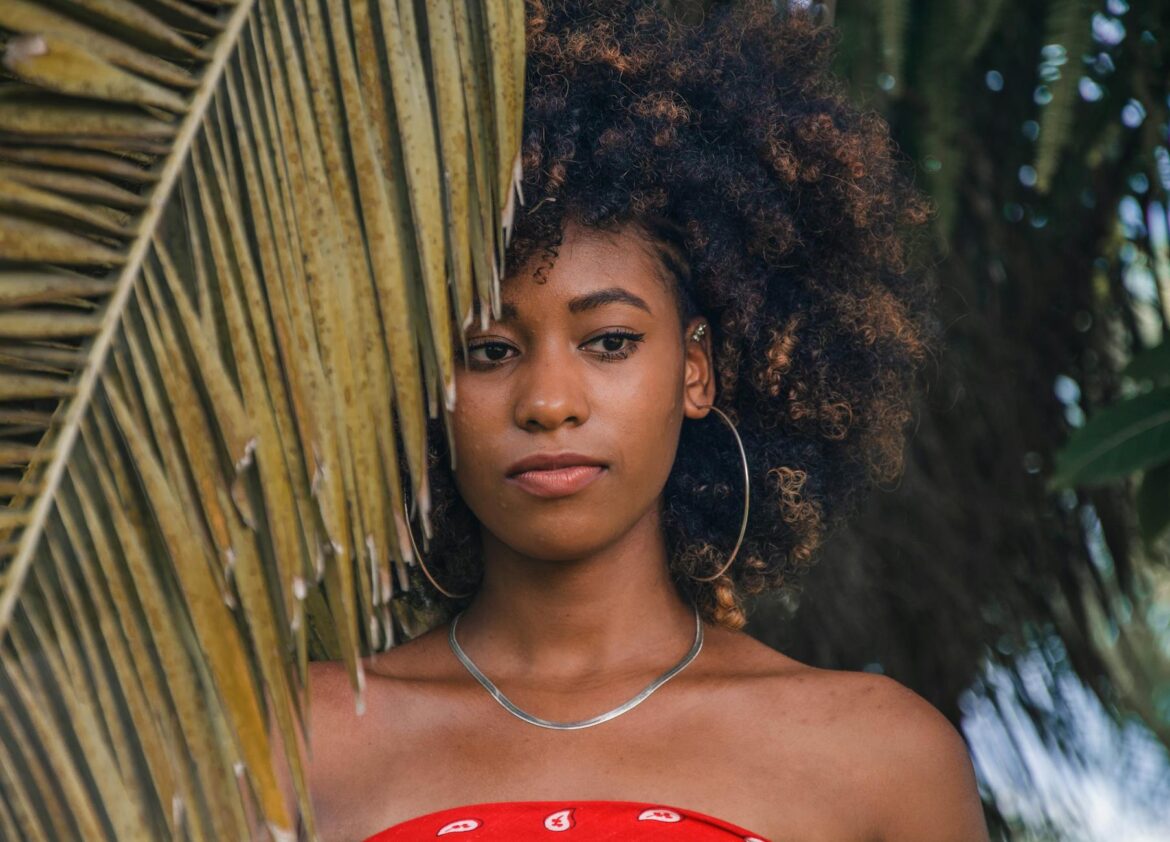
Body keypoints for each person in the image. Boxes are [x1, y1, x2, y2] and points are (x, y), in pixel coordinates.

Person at [269, 1, 990, 839]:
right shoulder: (297, 747)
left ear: (695, 370)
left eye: (609, 341)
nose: (548, 403)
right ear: (425, 384)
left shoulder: (879, 758)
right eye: (490, 351)